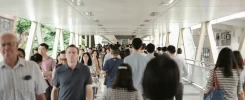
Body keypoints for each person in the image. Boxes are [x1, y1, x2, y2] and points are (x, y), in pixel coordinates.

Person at [0, 32, 47, 100]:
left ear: (17, 45)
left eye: (10, 44)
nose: (6, 47)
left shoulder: (32, 67)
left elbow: (40, 96)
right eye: (3, 45)